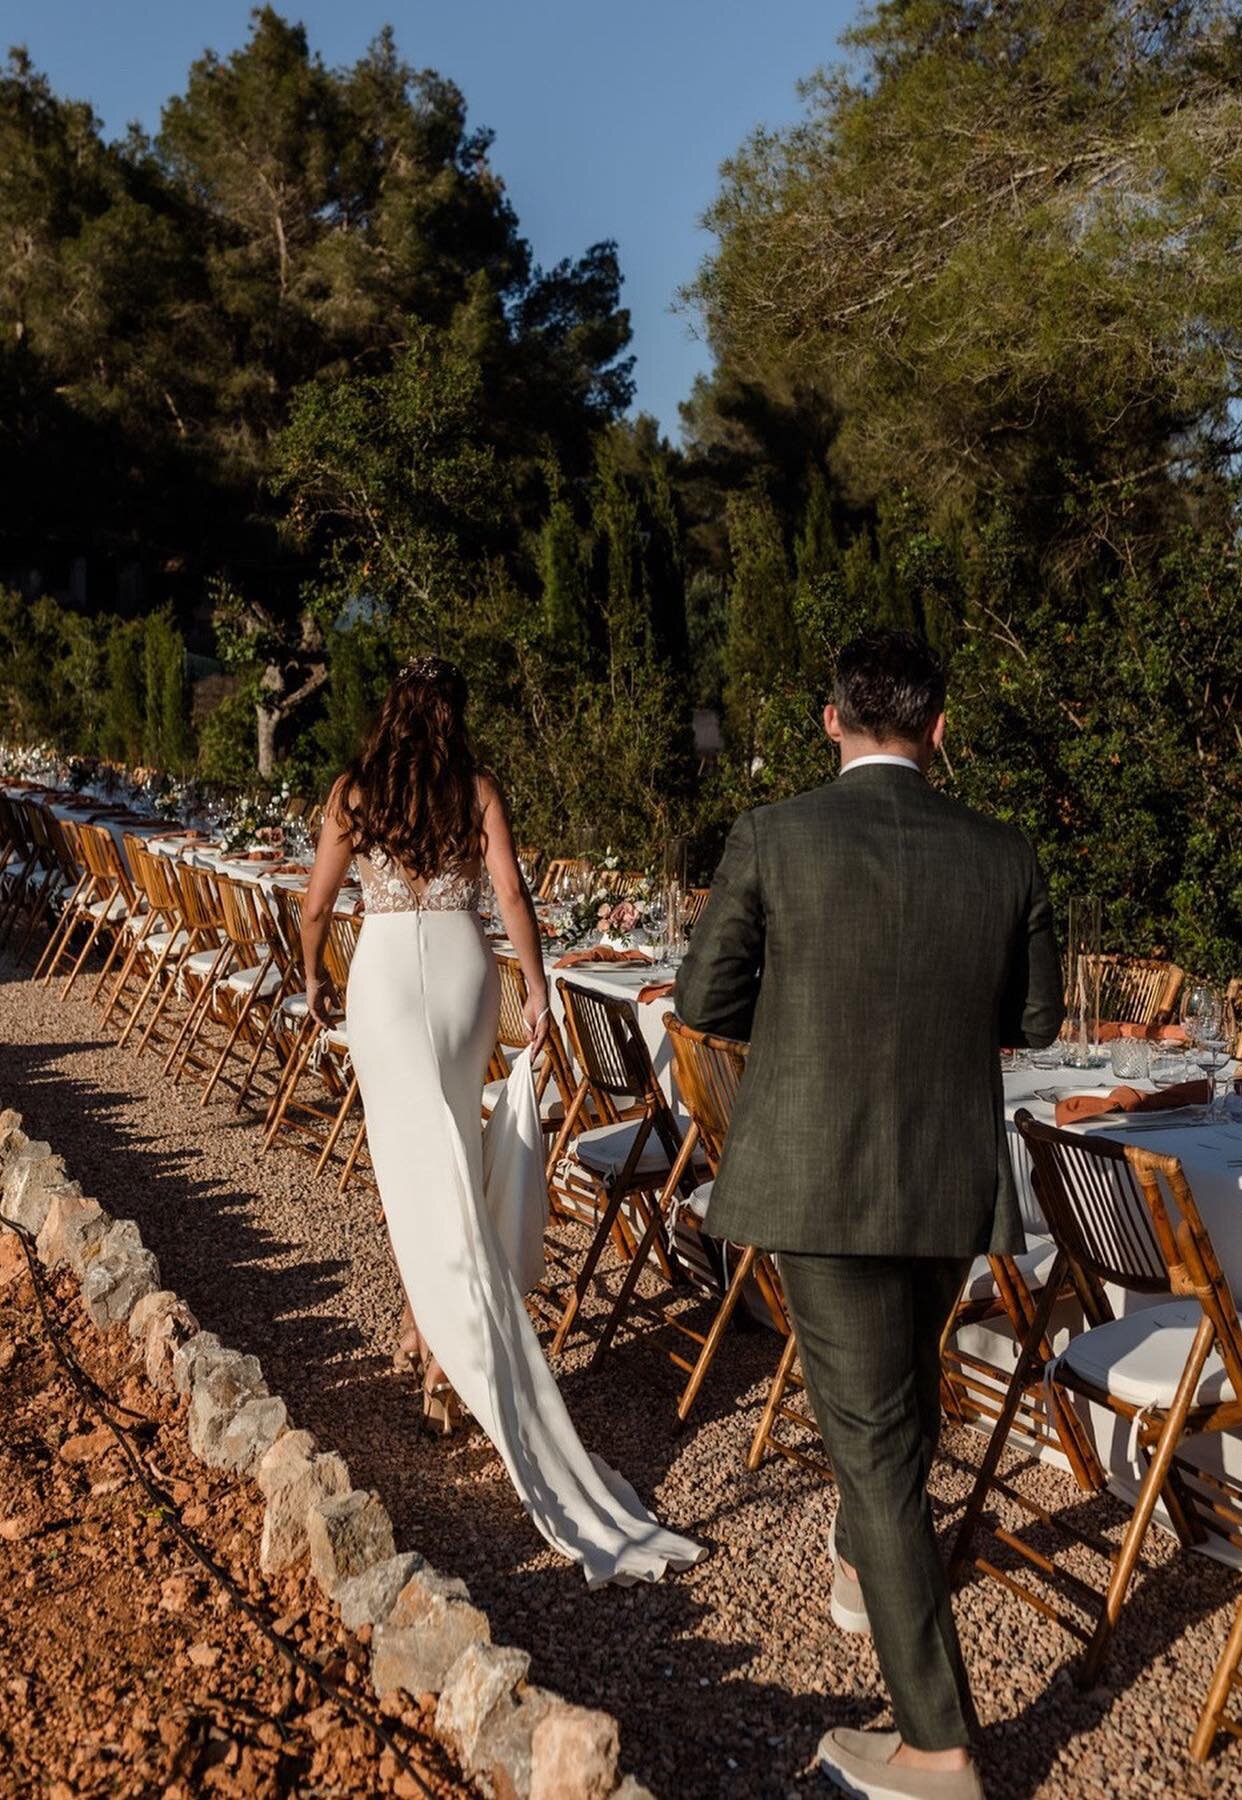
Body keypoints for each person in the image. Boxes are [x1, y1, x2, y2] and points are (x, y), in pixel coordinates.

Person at [675, 630, 1063, 1797]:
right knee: (902, 1398)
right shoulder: (1003, 852)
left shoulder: (773, 836)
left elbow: (704, 997)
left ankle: (939, 1746)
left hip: (819, 1176)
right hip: (950, 1179)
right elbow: (1037, 1024)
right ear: (940, 729)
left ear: (831, 719)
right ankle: (862, 1575)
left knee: (879, 1445)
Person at [300, 656, 704, 1588]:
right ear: (455, 718)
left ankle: (442, 1353)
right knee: (457, 1155)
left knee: (413, 1173)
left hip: (390, 983)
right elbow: (512, 897)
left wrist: (315, 969)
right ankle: (432, 1343)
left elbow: (318, 904)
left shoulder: (354, 793)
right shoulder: (475, 788)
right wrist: (534, 981)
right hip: (464, 973)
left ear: (391, 710)